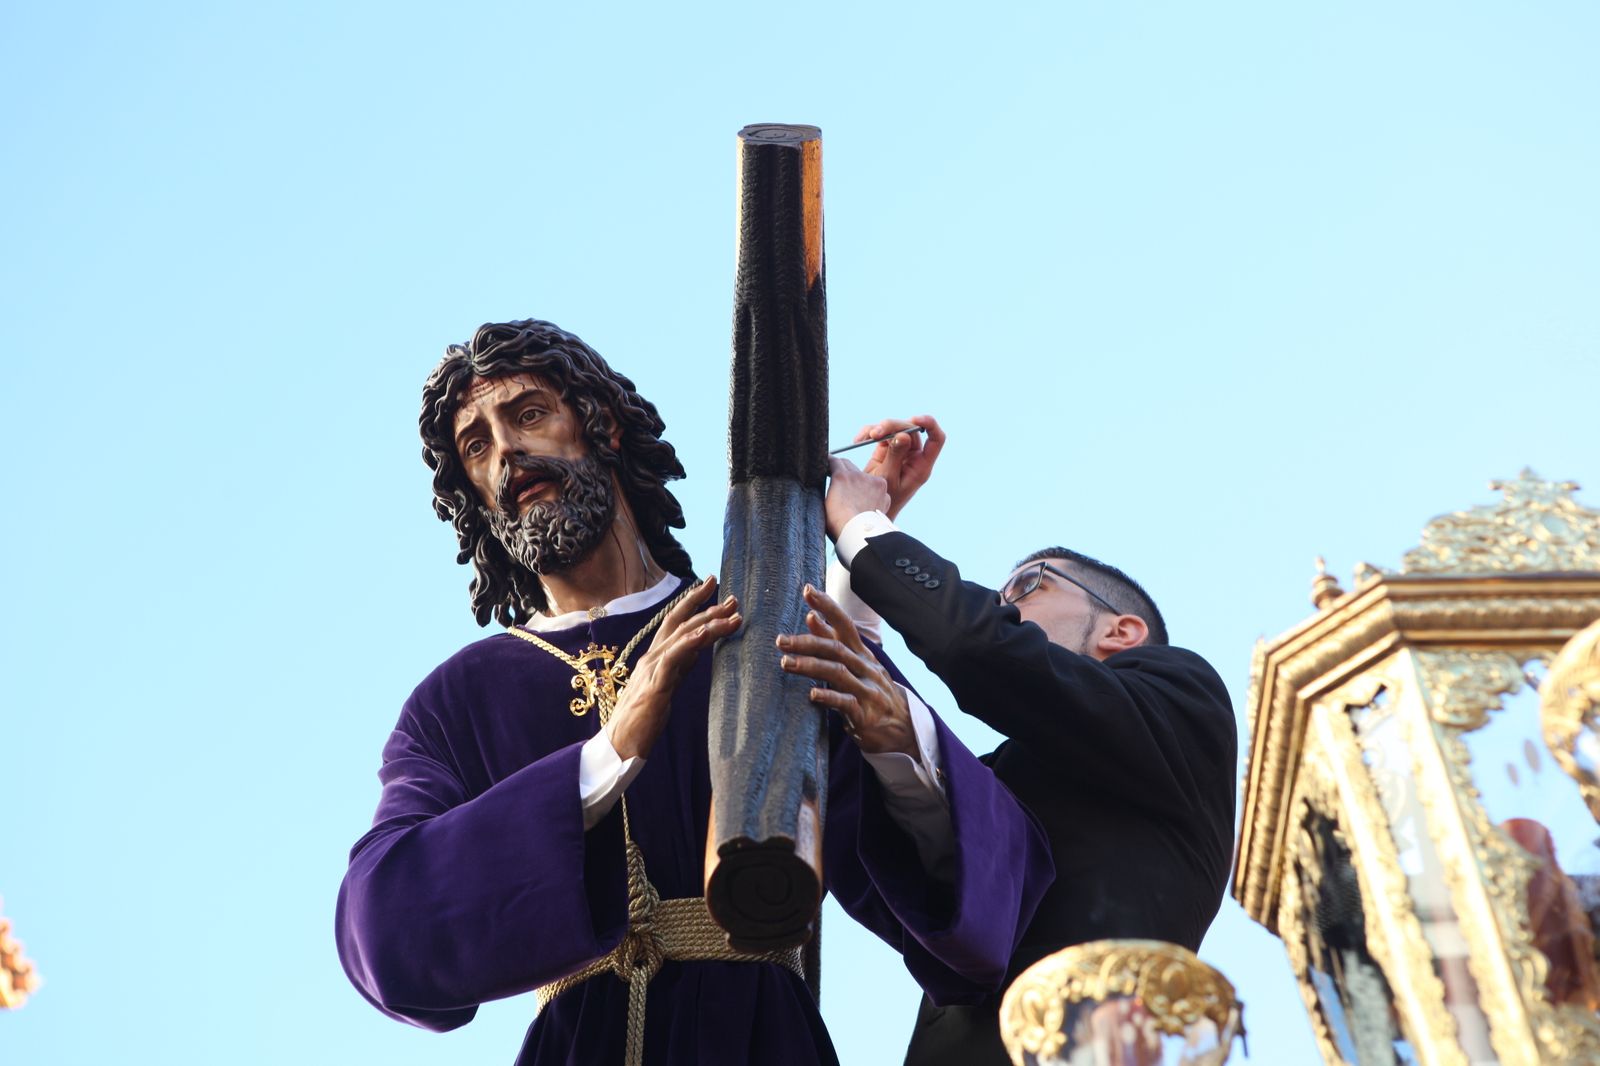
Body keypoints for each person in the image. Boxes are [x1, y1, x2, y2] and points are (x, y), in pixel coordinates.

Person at [334, 321, 1053, 1066]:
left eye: (527, 414)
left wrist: (900, 738)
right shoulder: (458, 700)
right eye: (476, 445)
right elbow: (381, 928)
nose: (506, 452)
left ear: (601, 424)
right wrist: (606, 757)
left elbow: (982, 908)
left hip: (756, 1037)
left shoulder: (753, 622)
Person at [823, 416, 1237, 1066]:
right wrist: (859, 546)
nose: (1005, 605)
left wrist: (866, 533)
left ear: (1121, 631)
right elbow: (878, 745)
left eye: (1028, 585)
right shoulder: (1006, 782)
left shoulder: (1180, 696)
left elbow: (978, 645)